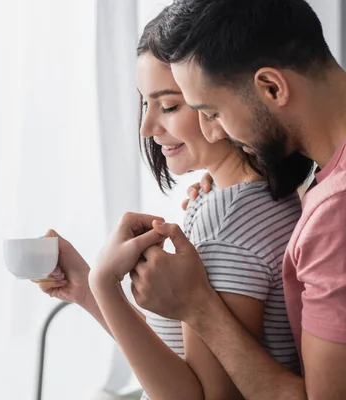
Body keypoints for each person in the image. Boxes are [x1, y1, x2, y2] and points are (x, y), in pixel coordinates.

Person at [33, 15, 313, 399]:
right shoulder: (251, 199)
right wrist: (87, 288)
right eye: (145, 103)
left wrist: (104, 284)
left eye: (168, 106)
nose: (146, 126)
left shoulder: (227, 218)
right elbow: (180, 364)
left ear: (212, 97)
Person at [128, 1, 346, 399]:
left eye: (211, 111)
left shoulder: (336, 213)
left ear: (272, 87)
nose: (213, 134)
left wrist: (198, 306)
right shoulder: (320, 186)